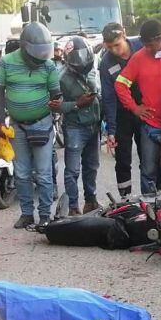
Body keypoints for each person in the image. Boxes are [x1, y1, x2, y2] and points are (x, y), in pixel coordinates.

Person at [0, 23, 61, 229]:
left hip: (42, 124)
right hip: (17, 127)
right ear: (24, 47)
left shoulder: (48, 66)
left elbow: (55, 93)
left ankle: (45, 215)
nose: (39, 60)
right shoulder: (6, 62)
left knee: (43, 173)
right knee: (21, 173)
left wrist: (56, 104)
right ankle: (26, 214)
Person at [115, 19, 161, 195]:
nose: (147, 49)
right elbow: (120, 84)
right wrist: (135, 108)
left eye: (150, 45)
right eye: (144, 45)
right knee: (148, 169)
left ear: (160, 38)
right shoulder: (139, 57)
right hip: (150, 124)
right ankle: (149, 210)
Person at [99, 22, 145, 197]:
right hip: (121, 115)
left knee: (148, 158)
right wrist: (111, 130)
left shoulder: (142, 47)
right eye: (110, 47)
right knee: (123, 160)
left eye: (117, 45)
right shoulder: (106, 63)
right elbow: (108, 98)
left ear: (124, 35)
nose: (115, 50)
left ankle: (152, 195)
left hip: (144, 111)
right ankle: (125, 199)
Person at [58, 37, 101, 216]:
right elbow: (56, 106)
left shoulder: (93, 69)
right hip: (74, 127)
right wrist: (77, 104)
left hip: (94, 126)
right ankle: (73, 207)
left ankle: (90, 201)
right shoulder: (61, 78)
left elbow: (100, 95)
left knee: (91, 166)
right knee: (73, 170)